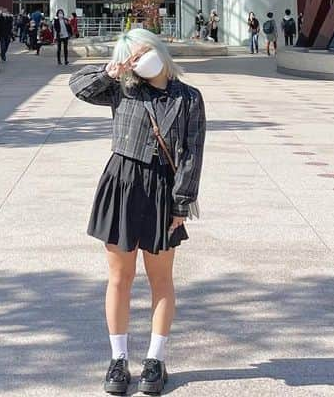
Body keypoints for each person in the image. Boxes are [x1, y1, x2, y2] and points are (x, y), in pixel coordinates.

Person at [69, 29, 206, 397]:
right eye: (131, 55)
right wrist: (110, 72)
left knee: (161, 278)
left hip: (163, 189)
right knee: (120, 276)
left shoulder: (189, 98)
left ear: (158, 49)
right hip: (122, 182)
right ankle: (118, 358)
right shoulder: (124, 88)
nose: (139, 60)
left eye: (142, 51)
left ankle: (155, 359)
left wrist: (181, 202)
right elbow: (78, 86)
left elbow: (192, 154)